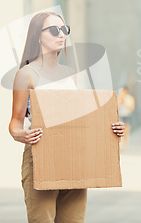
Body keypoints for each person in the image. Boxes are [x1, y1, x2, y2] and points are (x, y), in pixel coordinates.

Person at [8, 11, 125, 223]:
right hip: (41, 155)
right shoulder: (26, 74)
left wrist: (111, 128)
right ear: (37, 36)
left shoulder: (71, 74)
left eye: (64, 30)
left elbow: (84, 118)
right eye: (54, 30)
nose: (61, 34)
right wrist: (22, 135)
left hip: (74, 156)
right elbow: (15, 123)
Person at [117, 86, 135, 150]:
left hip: (127, 115)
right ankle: (121, 144)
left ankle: (126, 144)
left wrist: (123, 104)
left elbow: (131, 108)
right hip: (121, 116)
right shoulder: (118, 98)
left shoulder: (129, 98)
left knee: (126, 131)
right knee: (121, 131)